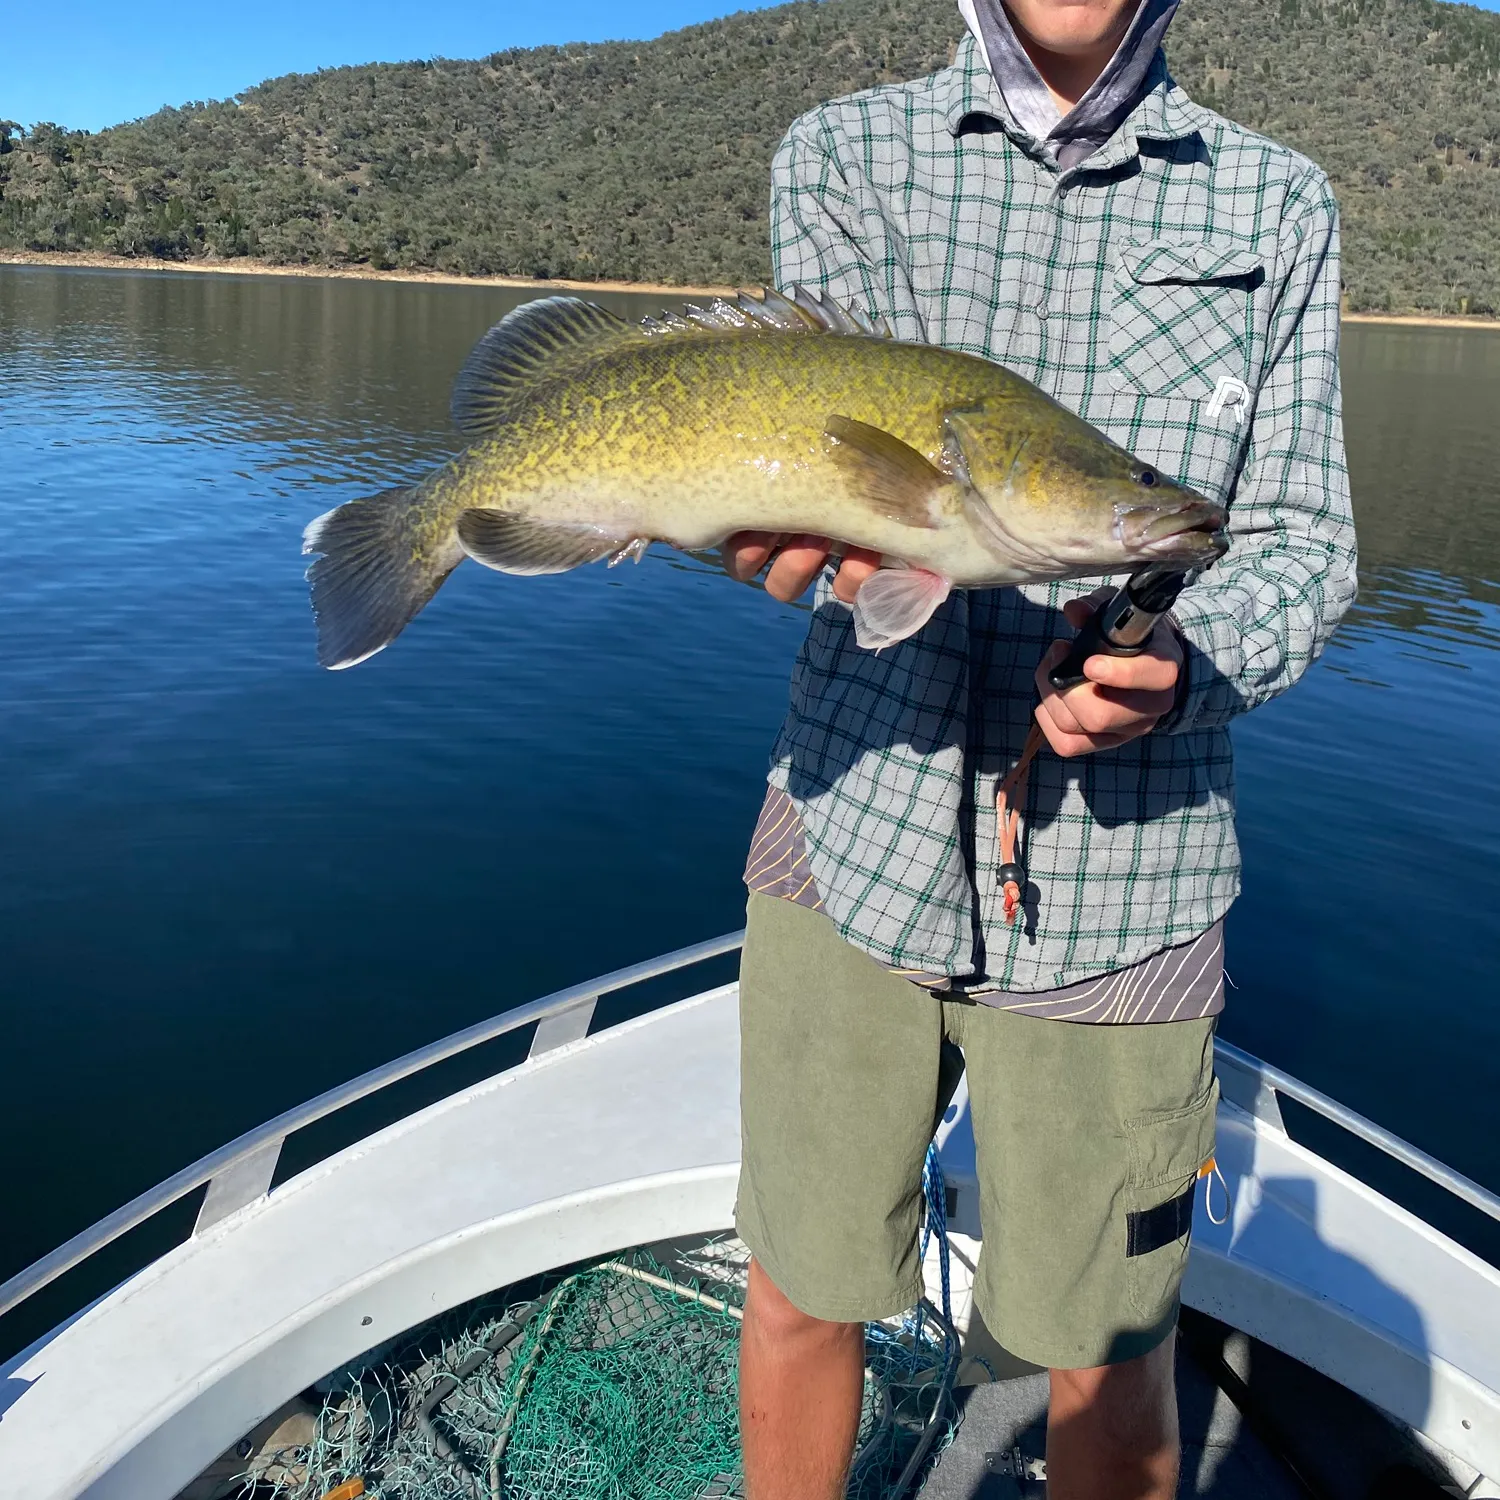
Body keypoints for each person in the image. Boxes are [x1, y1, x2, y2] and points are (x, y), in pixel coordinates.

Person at [722, 0, 1358, 1495]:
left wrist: (1185, 665)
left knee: (1103, 1342)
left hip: (1131, 885)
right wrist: (751, 537)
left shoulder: (1277, 201)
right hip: (847, 838)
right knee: (800, 1285)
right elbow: (802, 472)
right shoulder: (841, 155)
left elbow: (1302, 546)